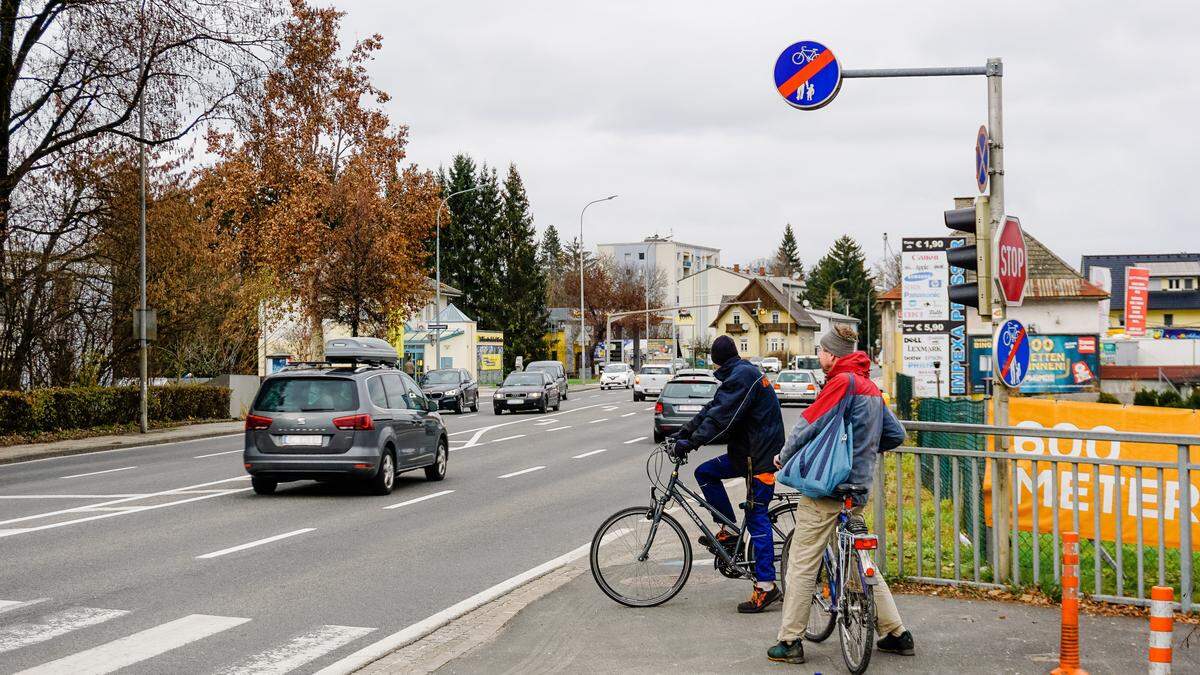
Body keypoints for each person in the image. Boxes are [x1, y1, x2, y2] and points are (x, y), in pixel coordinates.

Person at [767, 324, 914, 665]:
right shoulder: (869, 386)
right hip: (859, 489)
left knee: (803, 563)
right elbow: (896, 434)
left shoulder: (841, 383)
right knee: (859, 565)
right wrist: (866, 445)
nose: (819, 356)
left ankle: (790, 641)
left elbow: (809, 423)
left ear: (832, 355)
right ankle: (896, 633)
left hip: (827, 488)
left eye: (821, 351)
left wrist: (783, 456)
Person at [671, 335, 786, 613]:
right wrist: (684, 432)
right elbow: (712, 409)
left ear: (716, 360)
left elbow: (723, 418)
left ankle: (767, 587)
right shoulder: (739, 374)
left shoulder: (742, 377)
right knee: (706, 472)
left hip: (759, 459)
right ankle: (730, 531)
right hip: (746, 454)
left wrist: (693, 442)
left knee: (757, 518)